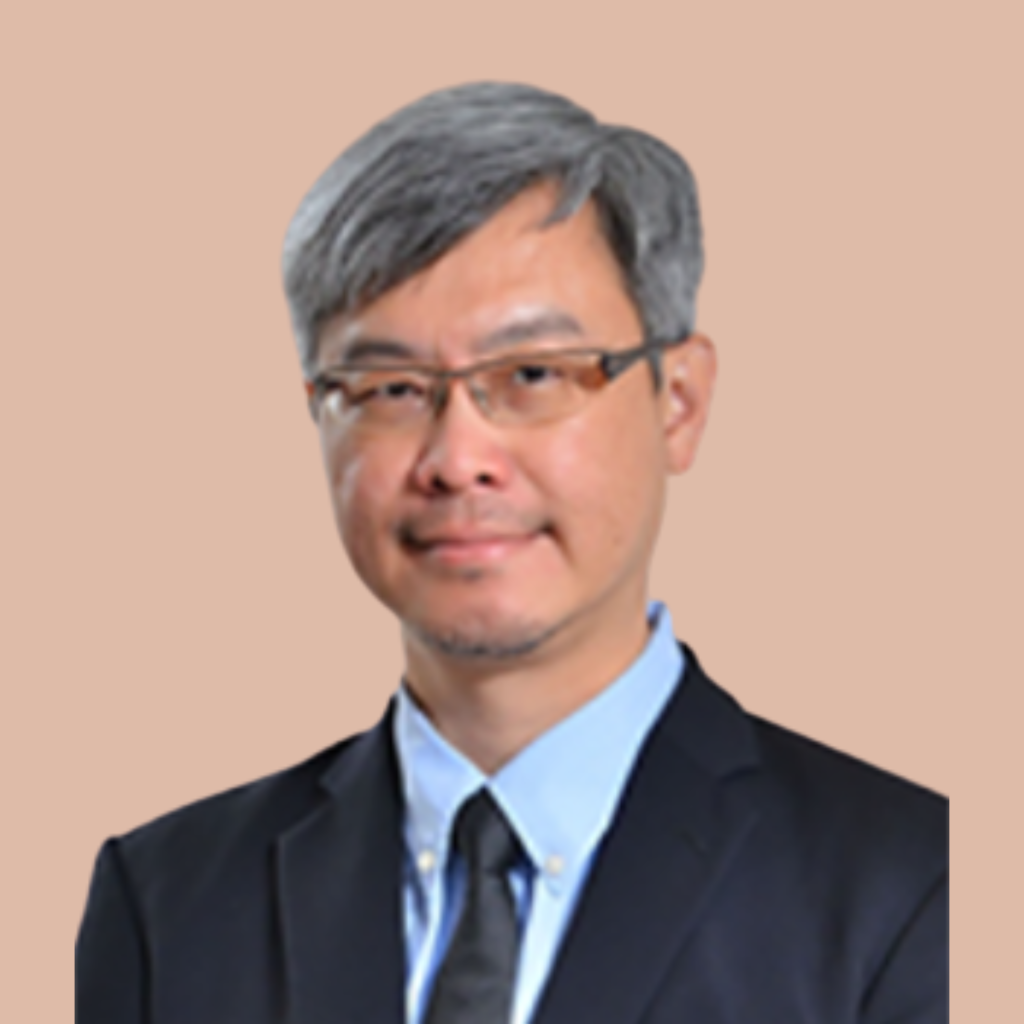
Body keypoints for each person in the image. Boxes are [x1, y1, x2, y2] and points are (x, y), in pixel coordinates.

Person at [76, 81, 948, 1024]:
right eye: (389, 387)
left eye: (532, 373)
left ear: (679, 402)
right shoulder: (165, 905)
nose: (458, 460)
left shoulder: (915, 889)